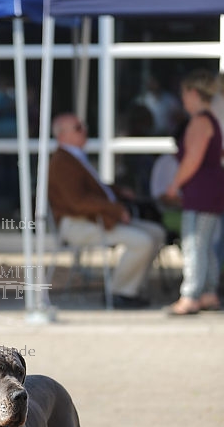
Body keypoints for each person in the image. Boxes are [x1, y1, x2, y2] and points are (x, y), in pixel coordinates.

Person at [48, 113, 166, 309]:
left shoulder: (74, 157)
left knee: (156, 233)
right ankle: (119, 292)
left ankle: (132, 287)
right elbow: (77, 202)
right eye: (78, 128)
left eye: (83, 126)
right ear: (62, 135)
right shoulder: (62, 162)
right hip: (79, 224)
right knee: (142, 241)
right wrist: (116, 209)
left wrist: (118, 192)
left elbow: (95, 190)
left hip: (95, 219)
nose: (84, 131)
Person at [164, 69, 224, 315]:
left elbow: (192, 160)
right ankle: (208, 293)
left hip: (201, 192)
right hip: (210, 189)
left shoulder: (200, 121)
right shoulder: (210, 120)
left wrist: (173, 185)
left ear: (193, 92)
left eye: (184, 93)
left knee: (194, 243)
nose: (183, 99)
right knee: (206, 244)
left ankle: (190, 295)